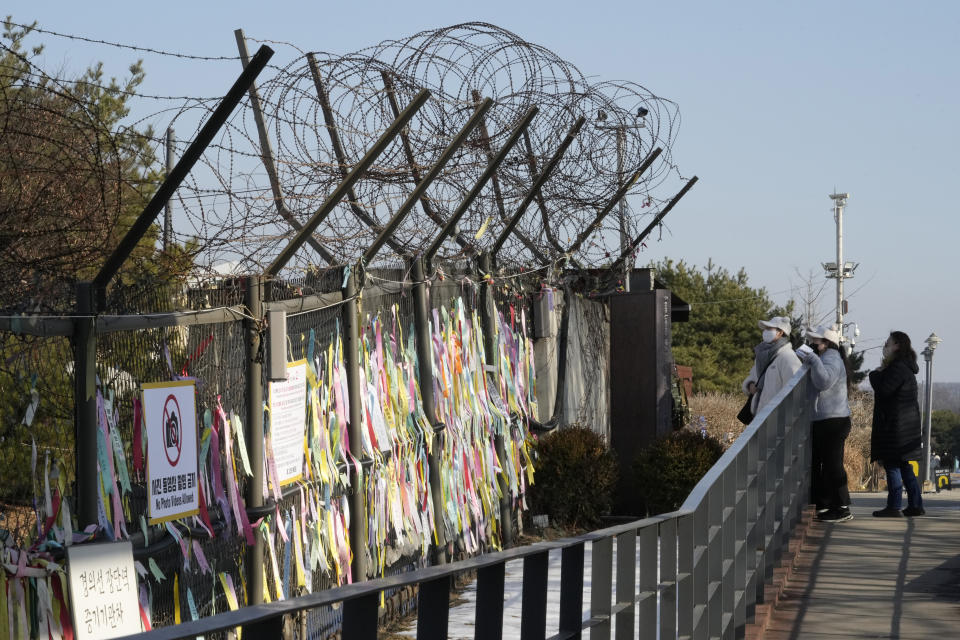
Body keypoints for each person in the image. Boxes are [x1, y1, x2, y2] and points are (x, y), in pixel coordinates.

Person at [798, 325, 853, 522]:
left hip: (833, 420)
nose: (812, 343)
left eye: (815, 340)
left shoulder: (831, 358)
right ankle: (824, 504)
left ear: (826, 343)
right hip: (825, 419)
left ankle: (842, 507)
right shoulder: (826, 358)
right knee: (821, 463)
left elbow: (823, 382)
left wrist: (812, 359)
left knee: (832, 464)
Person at [869, 331, 924, 517]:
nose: (885, 346)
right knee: (904, 465)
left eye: (888, 343)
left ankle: (894, 506)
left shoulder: (898, 368)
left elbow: (884, 389)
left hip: (896, 427)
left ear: (897, 346)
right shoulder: (905, 367)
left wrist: (875, 375)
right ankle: (915, 504)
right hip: (905, 427)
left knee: (892, 464)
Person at [742, 316, 802, 418]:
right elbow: (752, 376)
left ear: (780, 332)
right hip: (759, 415)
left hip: (777, 418)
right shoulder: (761, 355)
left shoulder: (788, 358)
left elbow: (796, 390)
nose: (765, 331)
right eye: (765, 329)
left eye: (769, 329)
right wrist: (750, 385)